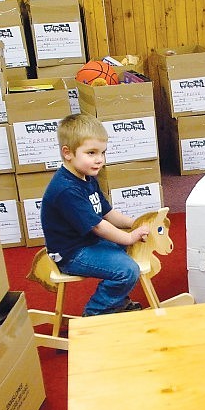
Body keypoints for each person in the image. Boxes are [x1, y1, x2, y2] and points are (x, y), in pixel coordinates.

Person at [41, 114, 149, 316]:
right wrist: (128, 236)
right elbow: (98, 225)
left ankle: (117, 301)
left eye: (102, 153)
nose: (99, 159)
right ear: (68, 153)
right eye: (91, 153)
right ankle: (95, 314)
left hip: (87, 242)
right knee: (127, 270)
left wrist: (135, 223)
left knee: (129, 245)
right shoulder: (66, 189)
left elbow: (106, 212)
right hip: (71, 253)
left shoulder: (86, 177)